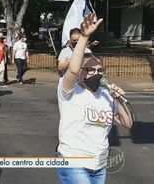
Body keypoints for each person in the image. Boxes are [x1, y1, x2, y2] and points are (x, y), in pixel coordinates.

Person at [57, 14, 133, 184]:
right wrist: (84, 37)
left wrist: (118, 99)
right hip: (73, 160)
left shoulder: (106, 95)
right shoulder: (69, 89)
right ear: (82, 72)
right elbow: (73, 69)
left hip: (99, 164)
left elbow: (127, 123)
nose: (96, 73)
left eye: (100, 70)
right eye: (91, 70)